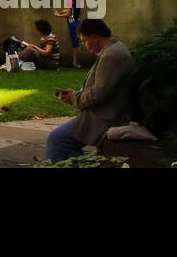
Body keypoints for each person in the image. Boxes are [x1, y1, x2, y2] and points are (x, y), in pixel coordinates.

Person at [45, 18, 136, 163]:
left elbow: (99, 94)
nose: (83, 45)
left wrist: (74, 98)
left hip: (106, 117)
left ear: (94, 37)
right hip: (107, 112)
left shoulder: (111, 55)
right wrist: (76, 95)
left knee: (58, 139)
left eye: (84, 40)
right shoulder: (113, 49)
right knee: (64, 142)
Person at [55, 0, 83, 68]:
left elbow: (68, 14)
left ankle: (76, 63)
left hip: (72, 23)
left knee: (75, 44)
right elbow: (71, 11)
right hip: (77, 22)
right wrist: (63, 12)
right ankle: (75, 62)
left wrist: (58, 15)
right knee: (76, 43)